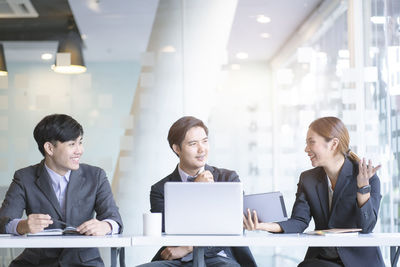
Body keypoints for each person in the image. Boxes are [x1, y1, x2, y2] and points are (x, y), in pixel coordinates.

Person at [243, 116, 384, 267]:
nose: (306, 149)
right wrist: (262, 225)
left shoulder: (366, 176)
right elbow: (299, 221)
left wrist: (363, 189)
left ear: (333, 144)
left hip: (358, 261)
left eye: (311, 142)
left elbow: (367, 227)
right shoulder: (308, 179)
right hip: (322, 259)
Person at [0, 114, 123, 267]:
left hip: (84, 263)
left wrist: (106, 226)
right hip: (37, 263)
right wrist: (23, 225)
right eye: (72, 144)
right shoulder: (24, 177)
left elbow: (115, 219)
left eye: (80, 142)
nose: (80, 150)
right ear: (49, 148)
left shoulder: (96, 176)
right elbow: (3, 222)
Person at [138, 116, 257, 267]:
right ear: (177, 148)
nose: (202, 149)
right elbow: (166, 229)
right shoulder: (160, 189)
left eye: (205, 141)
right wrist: (194, 189)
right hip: (177, 259)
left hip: (219, 256)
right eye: (193, 144)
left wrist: (189, 247)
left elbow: (233, 226)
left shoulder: (228, 178)